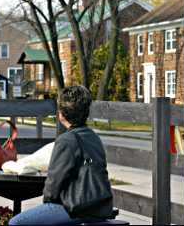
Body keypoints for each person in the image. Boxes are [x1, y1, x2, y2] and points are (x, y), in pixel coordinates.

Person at [9, 85, 113, 225]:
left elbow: (54, 183)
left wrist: (47, 203)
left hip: (77, 208)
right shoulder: (93, 137)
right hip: (100, 207)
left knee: (16, 223)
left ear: (61, 114)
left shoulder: (66, 140)